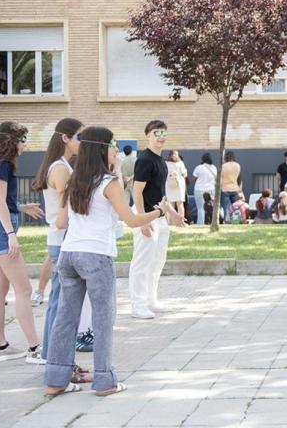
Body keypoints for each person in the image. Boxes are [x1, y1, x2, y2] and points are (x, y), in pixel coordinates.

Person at [44, 126, 181, 397]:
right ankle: (105, 381)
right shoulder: (108, 183)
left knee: (65, 319)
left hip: (69, 254)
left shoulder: (75, 180)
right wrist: (159, 211)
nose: (117, 151)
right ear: (101, 149)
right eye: (113, 145)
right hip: (96, 256)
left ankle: (55, 380)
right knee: (103, 318)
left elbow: (63, 221)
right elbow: (130, 220)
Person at [0, 122, 46, 363]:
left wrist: (21, 207)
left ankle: (1, 347)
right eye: (23, 139)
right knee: (24, 290)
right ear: (12, 141)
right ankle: (35, 348)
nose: (26, 145)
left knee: (0, 290)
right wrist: (10, 233)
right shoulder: (2, 165)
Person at [32, 118, 96, 363]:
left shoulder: (61, 166)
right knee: (60, 303)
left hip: (63, 238)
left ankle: (53, 355)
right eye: (79, 137)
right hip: (62, 238)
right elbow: (65, 210)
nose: (81, 142)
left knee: (61, 301)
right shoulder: (60, 168)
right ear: (65, 139)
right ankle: (53, 357)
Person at [128, 120, 171, 320]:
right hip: (146, 217)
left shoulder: (161, 160)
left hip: (161, 217)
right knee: (142, 262)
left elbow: (161, 193)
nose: (160, 136)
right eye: (156, 132)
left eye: (163, 132)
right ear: (147, 135)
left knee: (158, 260)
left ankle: (150, 300)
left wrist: (174, 213)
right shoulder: (145, 159)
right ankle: (137, 305)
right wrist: (142, 221)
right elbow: (137, 192)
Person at [192, 153, 217, 226]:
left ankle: (200, 224)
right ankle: (212, 222)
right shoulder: (214, 168)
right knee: (212, 207)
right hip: (211, 189)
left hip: (199, 190)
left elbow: (193, 179)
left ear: (202, 159)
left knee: (200, 208)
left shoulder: (199, 167)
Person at [165, 150, 188, 218]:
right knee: (178, 204)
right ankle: (179, 220)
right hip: (178, 184)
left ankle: (173, 221)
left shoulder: (166, 163)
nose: (174, 156)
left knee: (173, 204)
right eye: (174, 154)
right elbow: (184, 174)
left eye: (175, 154)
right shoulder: (180, 163)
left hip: (170, 184)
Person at [220, 151, 242, 220]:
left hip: (225, 189)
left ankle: (226, 221)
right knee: (236, 208)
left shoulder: (223, 166)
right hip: (235, 188)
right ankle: (236, 220)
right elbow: (239, 178)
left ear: (225, 157)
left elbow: (220, 178)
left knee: (226, 208)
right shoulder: (238, 165)